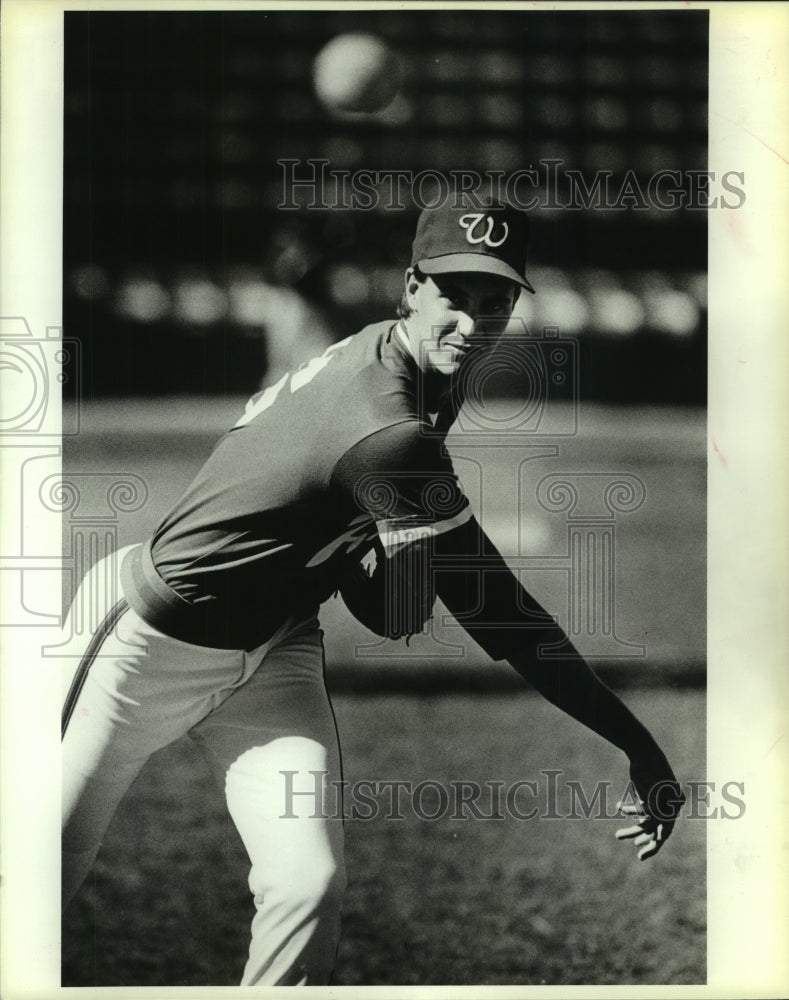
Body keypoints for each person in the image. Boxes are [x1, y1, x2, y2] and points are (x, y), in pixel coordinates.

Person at [61, 199, 684, 987]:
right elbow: (461, 616)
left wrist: (389, 560)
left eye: (496, 302)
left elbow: (389, 595)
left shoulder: (417, 369)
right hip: (146, 640)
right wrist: (638, 745)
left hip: (275, 647)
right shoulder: (388, 427)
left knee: (305, 884)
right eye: (455, 296)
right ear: (410, 287)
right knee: (41, 869)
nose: (474, 322)